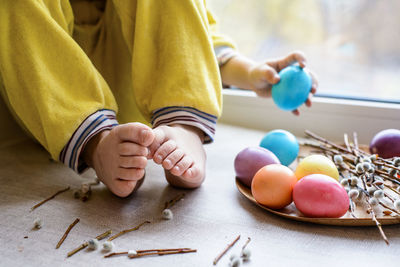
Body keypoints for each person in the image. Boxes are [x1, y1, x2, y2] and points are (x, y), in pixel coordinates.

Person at [0, 0, 317, 197]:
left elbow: (194, 39)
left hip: (144, 119)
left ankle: (184, 125)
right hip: (49, 118)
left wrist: (251, 73)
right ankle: (96, 144)